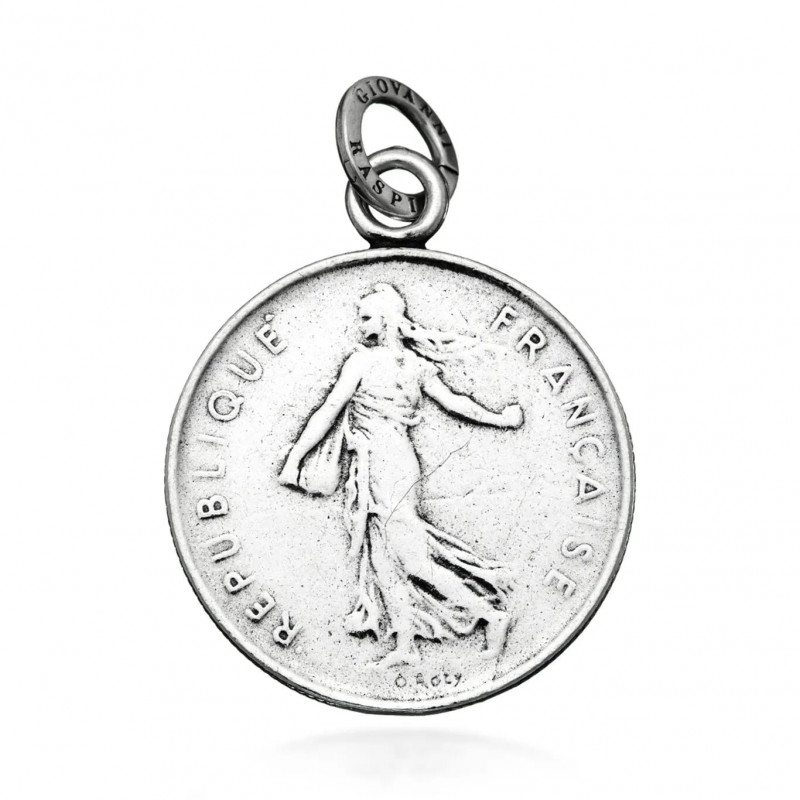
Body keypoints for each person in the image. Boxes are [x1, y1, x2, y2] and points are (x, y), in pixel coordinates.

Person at [278, 283, 524, 667]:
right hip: (390, 459)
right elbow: (456, 403)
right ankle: (405, 645)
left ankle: (489, 615)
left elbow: (329, 410)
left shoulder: (362, 362)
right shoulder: (415, 366)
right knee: (382, 557)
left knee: (410, 558)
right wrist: (499, 419)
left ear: (385, 319)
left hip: (383, 463)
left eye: (366, 317)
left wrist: (294, 459)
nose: (360, 326)